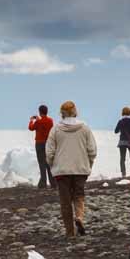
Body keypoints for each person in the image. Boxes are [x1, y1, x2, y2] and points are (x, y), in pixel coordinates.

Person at [45, 100, 96, 237]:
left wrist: (52, 165)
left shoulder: (55, 129)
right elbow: (92, 150)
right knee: (79, 196)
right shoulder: (85, 128)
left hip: (61, 170)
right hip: (80, 168)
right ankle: (79, 217)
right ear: (75, 111)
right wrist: (89, 164)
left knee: (65, 201)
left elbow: (49, 152)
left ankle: (69, 232)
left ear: (62, 113)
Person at [28, 105, 55, 189]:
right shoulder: (50, 120)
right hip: (48, 143)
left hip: (39, 144)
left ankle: (43, 183)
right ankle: (53, 183)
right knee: (49, 164)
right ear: (46, 111)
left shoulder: (38, 122)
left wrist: (31, 120)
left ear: (40, 112)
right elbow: (46, 126)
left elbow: (31, 128)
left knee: (41, 163)